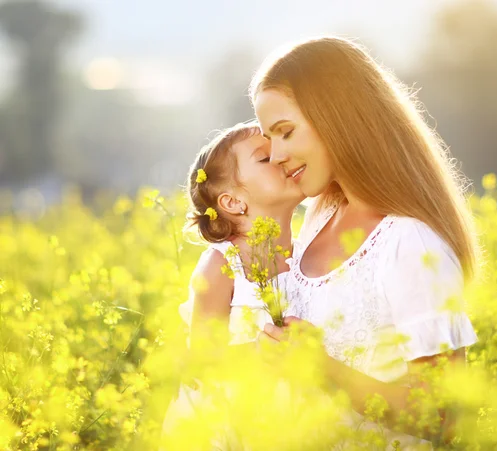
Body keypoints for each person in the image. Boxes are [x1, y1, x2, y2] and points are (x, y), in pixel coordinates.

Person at [252, 36, 480, 447]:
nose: (276, 155)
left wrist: (323, 370)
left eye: (285, 132)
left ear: (337, 117)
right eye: (269, 140)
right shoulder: (319, 216)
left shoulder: (410, 242)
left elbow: (445, 419)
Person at [160, 121, 305, 449]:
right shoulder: (222, 266)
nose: (283, 157)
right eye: (265, 159)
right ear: (233, 202)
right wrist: (257, 352)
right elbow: (201, 361)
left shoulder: (308, 253)